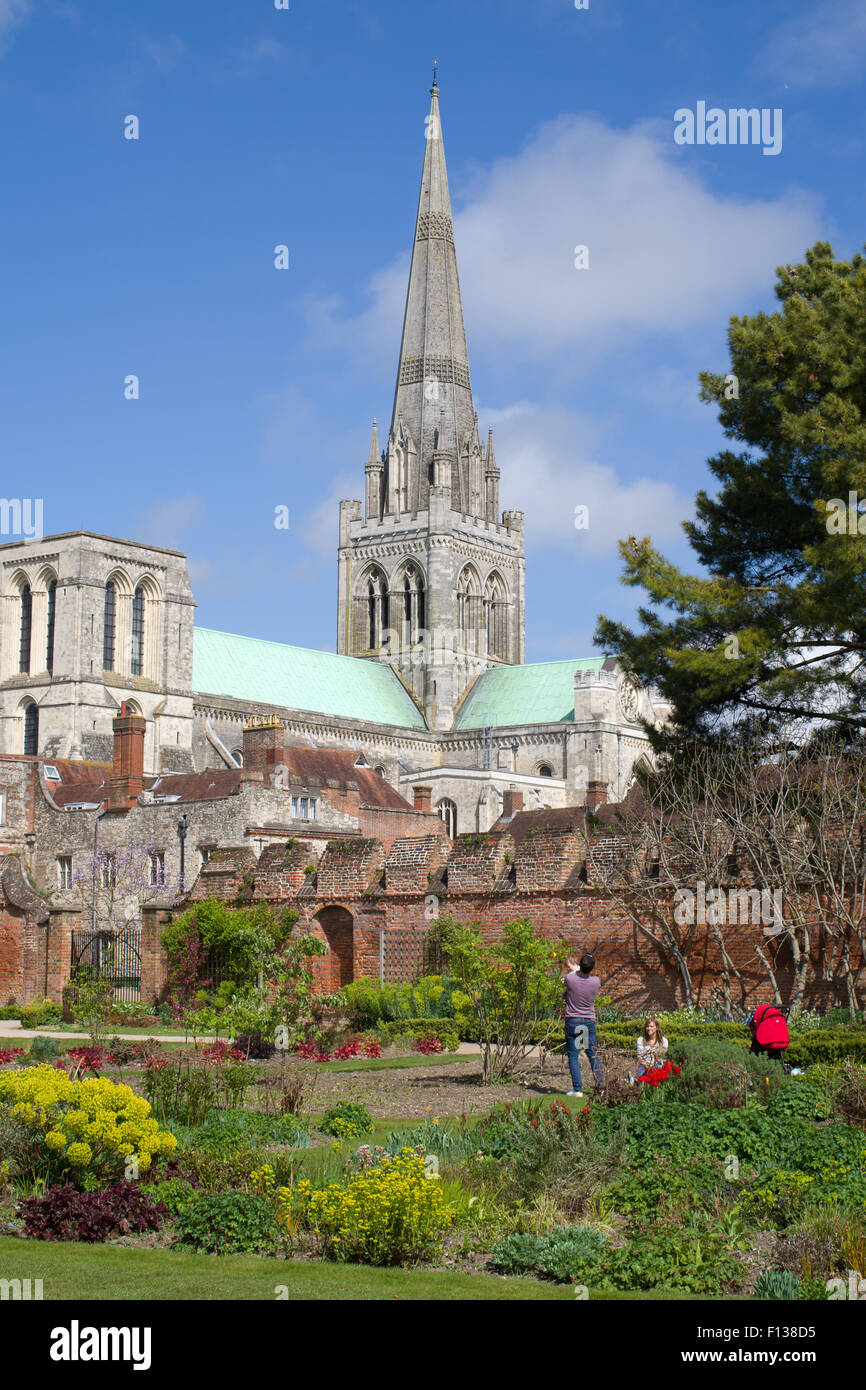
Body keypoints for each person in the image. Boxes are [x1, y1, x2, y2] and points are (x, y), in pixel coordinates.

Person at [562, 953, 605, 1097]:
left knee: (573, 1055)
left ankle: (577, 1089)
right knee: (592, 1054)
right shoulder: (596, 981)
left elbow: (570, 978)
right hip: (587, 1022)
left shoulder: (570, 978)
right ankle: (601, 1086)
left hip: (573, 1021)